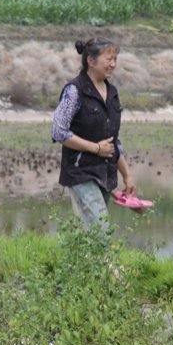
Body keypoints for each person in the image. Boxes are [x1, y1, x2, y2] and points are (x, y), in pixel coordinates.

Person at [52, 37, 137, 225]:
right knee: (100, 228)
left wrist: (127, 175)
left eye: (115, 59)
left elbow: (114, 142)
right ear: (91, 61)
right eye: (109, 59)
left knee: (92, 232)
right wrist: (95, 148)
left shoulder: (113, 92)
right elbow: (59, 131)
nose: (113, 64)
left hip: (106, 173)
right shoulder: (74, 91)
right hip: (80, 172)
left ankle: (80, 256)